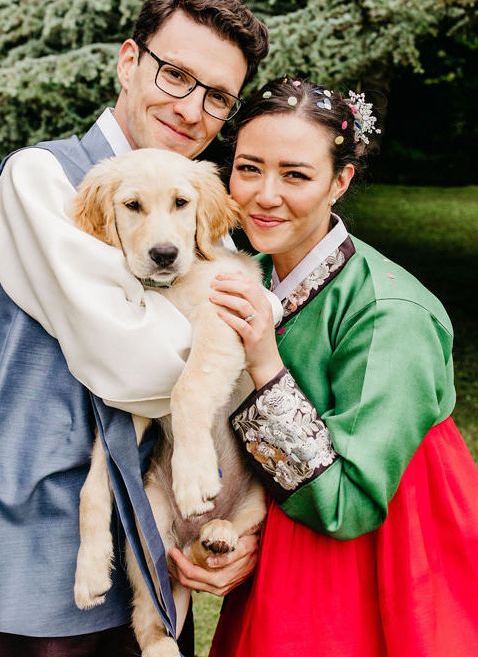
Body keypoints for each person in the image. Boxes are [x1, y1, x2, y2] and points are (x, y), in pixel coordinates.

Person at [0, 0, 270, 657]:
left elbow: (236, 392)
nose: (190, 108)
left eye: (217, 96)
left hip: (155, 548)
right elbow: (135, 365)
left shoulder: (200, 217)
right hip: (45, 543)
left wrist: (241, 526)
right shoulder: (42, 179)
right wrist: (220, 350)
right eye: (174, 74)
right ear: (128, 62)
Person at [201, 77, 478, 657]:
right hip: (285, 529)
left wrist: (264, 360)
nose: (264, 195)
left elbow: (348, 501)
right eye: (249, 168)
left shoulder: (390, 313)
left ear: (340, 180)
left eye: (295, 174)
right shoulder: (252, 272)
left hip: (374, 555)